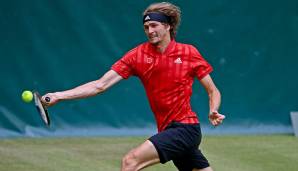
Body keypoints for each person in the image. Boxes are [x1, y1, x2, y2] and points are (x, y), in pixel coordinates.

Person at [42, 2, 225, 171]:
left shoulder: (188, 52)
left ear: (168, 26)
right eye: (146, 27)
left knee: (130, 161)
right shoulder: (136, 56)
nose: (150, 30)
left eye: (154, 25)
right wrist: (59, 95)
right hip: (168, 130)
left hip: (185, 128)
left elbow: (213, 90)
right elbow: (100, 85)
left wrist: (213, 110)